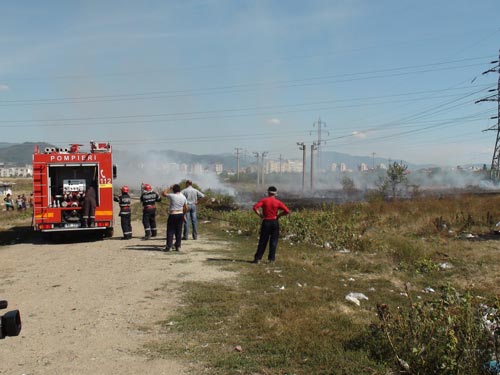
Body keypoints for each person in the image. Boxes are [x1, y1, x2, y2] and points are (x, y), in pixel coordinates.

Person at [251, 186, 290, 264]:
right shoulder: (278, 202)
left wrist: (260, 215)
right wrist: (279, 215)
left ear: (268, 192)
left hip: (266, 222)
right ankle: (271, 259)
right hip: (274, 222)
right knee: (273, 241)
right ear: (275, 193)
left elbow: (255, 207)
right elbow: (287, 211)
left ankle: (258, 258)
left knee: (263, 241)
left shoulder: (264, 200)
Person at [161, 184, 188, 252]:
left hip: (173, 214)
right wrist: (184, 214)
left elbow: (163, 193)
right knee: (178, 231)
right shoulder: (183, 197)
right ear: (179, 190)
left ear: (173, 190)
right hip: (180, 214)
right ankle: (177, 246)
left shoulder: (172, 195)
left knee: (170, 231)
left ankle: (169, 246)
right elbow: (186, 207)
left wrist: (169, 187)